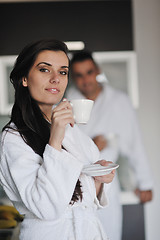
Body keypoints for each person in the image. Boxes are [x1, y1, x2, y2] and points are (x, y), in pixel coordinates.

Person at [0, 40, 116, 240]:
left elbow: (86, 195)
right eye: (45, 70)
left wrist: (101, 178)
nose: (56, 79)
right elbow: (46, 208)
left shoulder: (72, 129)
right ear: (24, 78)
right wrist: (55, 140)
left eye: (63, 72)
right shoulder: (13, 137)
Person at [66, 51, 153, 240]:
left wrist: (144, 183)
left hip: (107, 186)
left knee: (109, 234)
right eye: (79, 75)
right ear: (74, 77)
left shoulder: (119, 102)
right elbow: (60, 147)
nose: (85, 80)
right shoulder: (66, 103)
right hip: (74, 186)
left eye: (89, 72)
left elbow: (134, 142)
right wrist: (92, 144)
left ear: (97, 71)